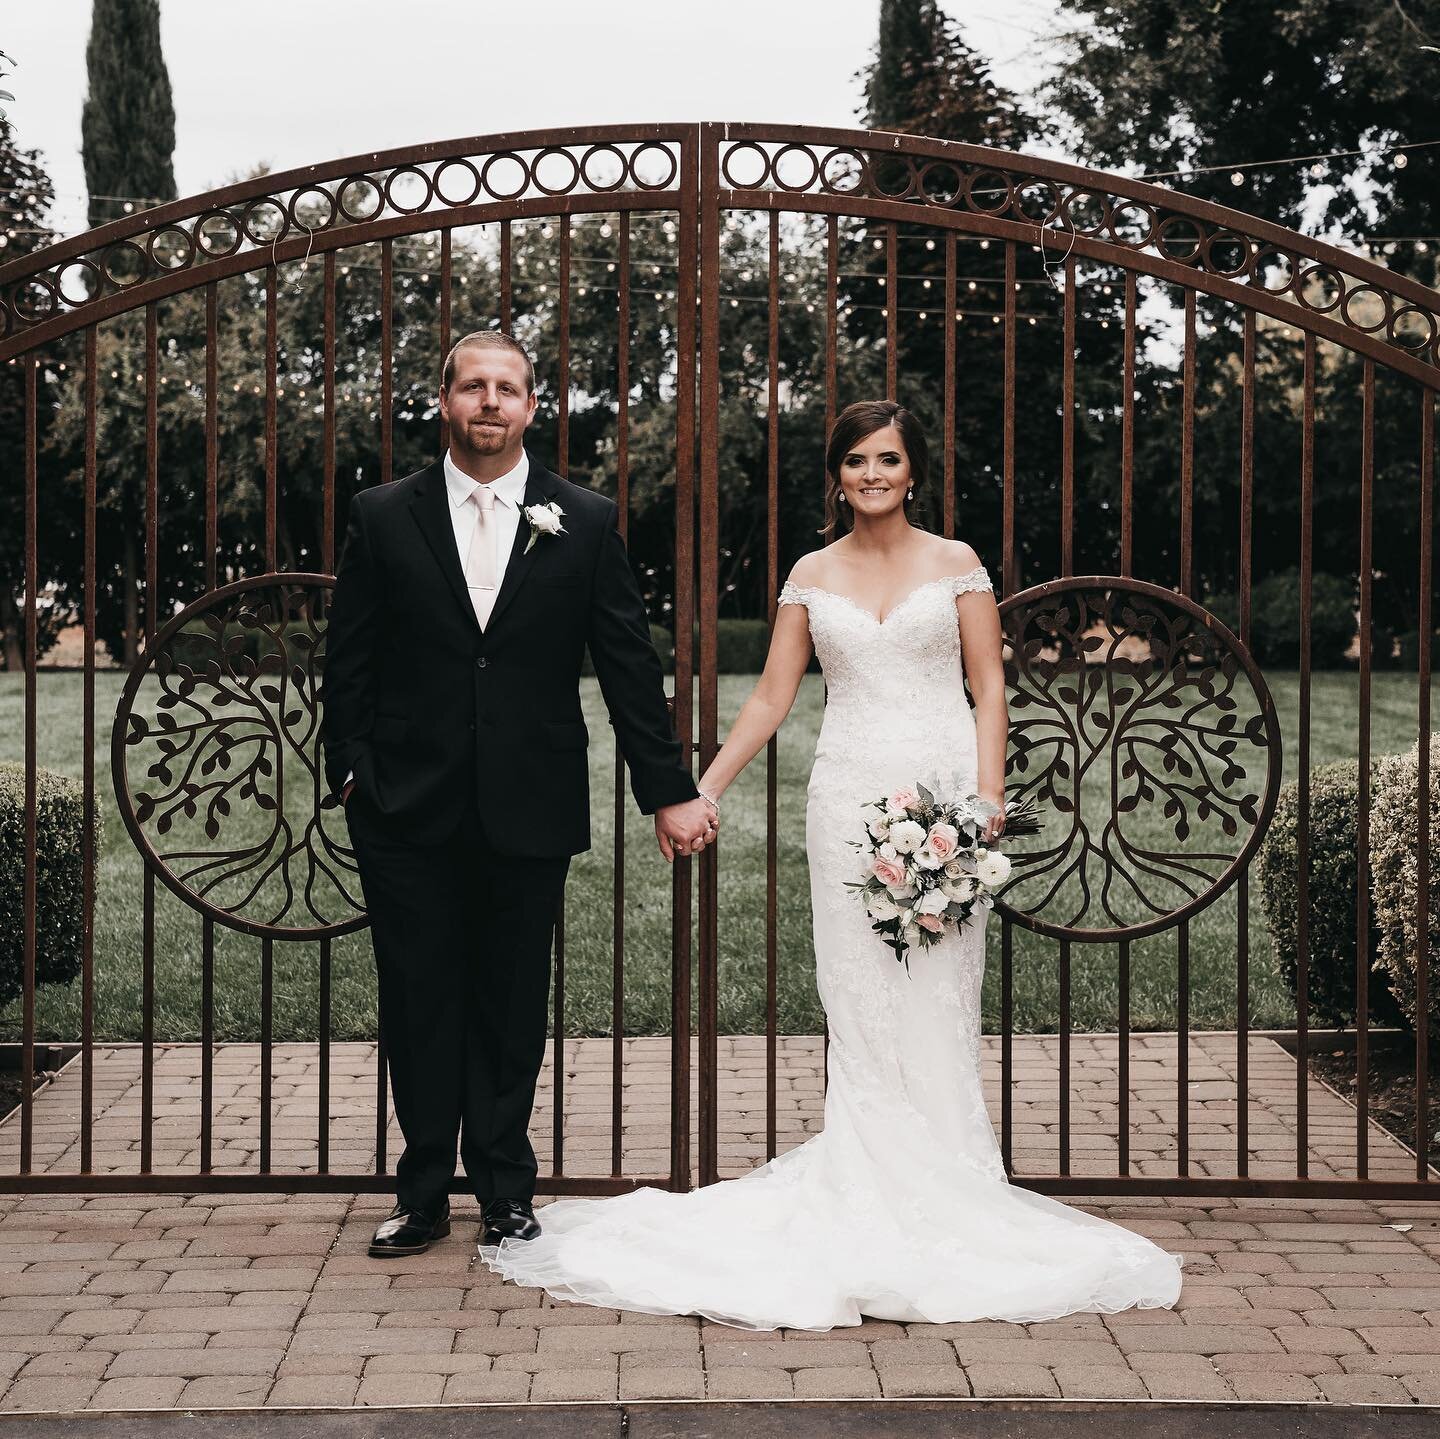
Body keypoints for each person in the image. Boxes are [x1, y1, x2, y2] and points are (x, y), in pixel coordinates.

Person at [480, 399, 1184, 1329]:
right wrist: (707, 789)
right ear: (838, 474)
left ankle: (949, 1186)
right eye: (855, 460)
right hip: (847, 803)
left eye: (888, 458)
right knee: (858, 1001)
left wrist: (985, 798)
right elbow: (773, 698)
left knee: (939, 994)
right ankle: (868, 1182)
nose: (872, 474)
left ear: (913, 469)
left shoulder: (958, 564)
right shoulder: (811, 574)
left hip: (942, 800)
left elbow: (989, 685)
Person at [321, 331, 718, 1259]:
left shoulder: (584, 517)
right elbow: (350, 658)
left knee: (508, 1001)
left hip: (529, 802)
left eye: (508, 388)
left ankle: (505, 1188)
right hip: (404, 805)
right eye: (473, 386)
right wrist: (350, 770)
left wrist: (665, 788)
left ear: (533, 407)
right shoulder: (384, 514)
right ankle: (421, 1193)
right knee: (418, 997)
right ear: (446, 402)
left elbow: (627, 663)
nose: (490, 402)